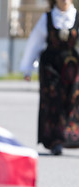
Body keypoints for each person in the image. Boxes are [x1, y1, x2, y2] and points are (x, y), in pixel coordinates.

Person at [20, 0, 79, 155]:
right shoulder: (47, 18)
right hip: (50, 66)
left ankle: (70, 137)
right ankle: (55, 141)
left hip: (72, 66)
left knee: (72, 100)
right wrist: (27, 68)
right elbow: (35, 43)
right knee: (54, 100)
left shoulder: (76, 16)